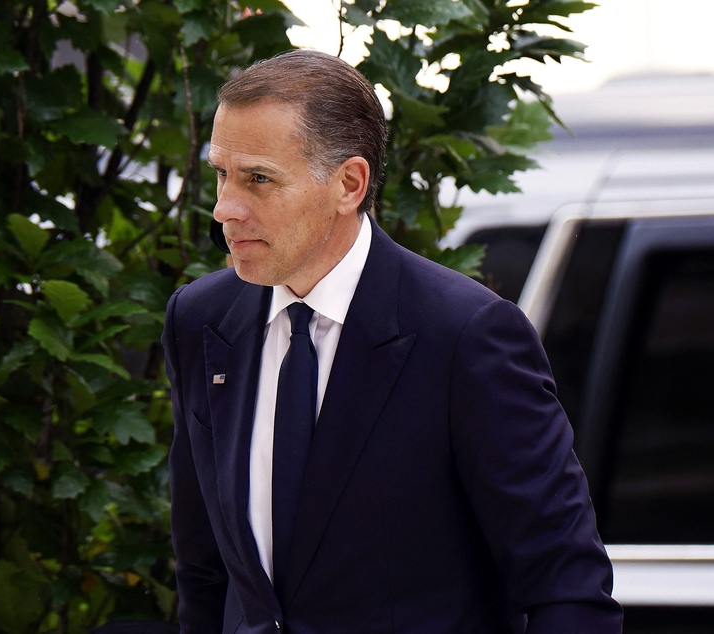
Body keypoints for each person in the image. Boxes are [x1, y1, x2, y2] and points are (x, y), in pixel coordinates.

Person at [161, 49, 623, 633]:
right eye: (222, 173)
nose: (225, 207)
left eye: (258, 179)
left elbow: (567, 586)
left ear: (348, 183)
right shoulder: (200, 317)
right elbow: (205, 571)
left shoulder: (466, 335)